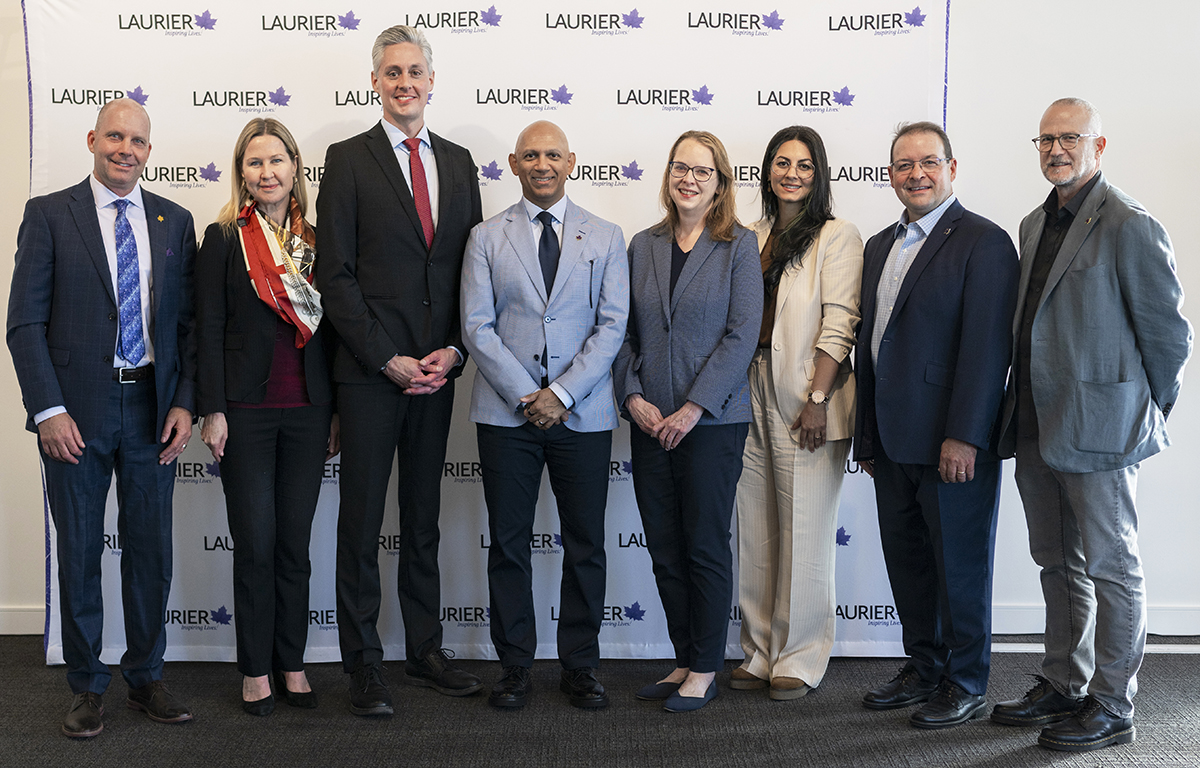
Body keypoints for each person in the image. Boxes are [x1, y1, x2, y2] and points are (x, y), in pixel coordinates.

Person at [991, 98, 1192, 753]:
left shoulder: (1129, 223)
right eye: (1046, 138)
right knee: (1057, 562)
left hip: (1104, 429)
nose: (1056, 149)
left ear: (1098, 147)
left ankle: (1112, 704)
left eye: (1070, 138)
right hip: (1037, 426)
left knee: (1112, 566)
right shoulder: (1031, 224)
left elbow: (1169, 335)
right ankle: (1064, 682)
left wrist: (1141, 411)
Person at [7, 98, 196, 737]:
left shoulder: (176, 221)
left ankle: (146, 678)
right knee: (82, 549)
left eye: (137, 141)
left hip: (152, 409)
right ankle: (87, 685)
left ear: (149, 149)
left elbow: (189, 326)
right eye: (114, 136)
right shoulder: (49, 214)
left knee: (150, 552)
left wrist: (184, 401)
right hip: (76, 412)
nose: (126, 149)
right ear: (93, 138)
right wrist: (48, 410)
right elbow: (24, 322)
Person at [315, 25, 483, 715]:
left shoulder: (460, 161)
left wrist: (453, 348)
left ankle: (425, 650)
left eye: (415, 70)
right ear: (376, 83)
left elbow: (468, 270)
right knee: (359, 522)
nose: (405, 82)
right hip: (369, 374)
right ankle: (363, 663)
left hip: (436, 374)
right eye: (392, 72)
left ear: (431, 80)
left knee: (421, 518)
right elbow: (336, 275)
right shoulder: (346, 159)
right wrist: (386, 357)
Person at [853, 121, 1018, 729]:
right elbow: (871, 346)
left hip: (951, 442)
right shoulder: (878, 246)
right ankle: (923, 669)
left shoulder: (985, 242)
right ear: (890, 174)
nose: (915, 174)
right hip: (891, 442)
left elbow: (986, 350)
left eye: (927, 162)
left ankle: (966, 679)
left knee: (961, 568)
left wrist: (966, 435)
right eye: (902, 165)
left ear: (952, 167)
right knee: (910, 563)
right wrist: (866, 435)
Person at [460, 120, 628, 710]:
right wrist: (527, 394)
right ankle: (514, 666)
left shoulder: (606, 237)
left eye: (552, 154)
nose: (542, 164)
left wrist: (563, 393)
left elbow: (612, 327)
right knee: (509, 543)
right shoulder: (485, 237)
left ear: (572, 161)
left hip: (581, 415)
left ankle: (580, 665)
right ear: (512, 162)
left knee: (585, 542)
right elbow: (477, 327)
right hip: (508, 415)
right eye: (531, 154)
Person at [613, 130, 762, 713]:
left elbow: (741, 334)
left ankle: (706, 664)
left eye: (702, 171)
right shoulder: (642, 245)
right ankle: (683, 656)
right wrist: (633, 398)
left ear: (721, 182)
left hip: (713, 423)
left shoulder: (738, 246)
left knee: (702, 544)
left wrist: (693, 407)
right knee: (665, 546)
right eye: (680, 168)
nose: (689, 179)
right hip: (650, 422)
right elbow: (623, 332)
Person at [196, 118, 339, 716]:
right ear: (242, 173)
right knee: (255, 544)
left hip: (308, 412)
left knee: (294, 547)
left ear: (295, 166)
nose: (267, 172)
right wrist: (212, 409)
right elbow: (205, 328)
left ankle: (292, 662)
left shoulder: (320, 239)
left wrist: (335, 414)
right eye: (255, 163)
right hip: (247, 414)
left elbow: (334, 335)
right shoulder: (225, 237)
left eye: (276, 160)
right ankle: (254, 669)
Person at [732, 126, 863, 701]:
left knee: (805, 529)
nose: (791, 173)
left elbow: (840, 323)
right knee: (755, 528)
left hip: (807, 392)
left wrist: (817, 398)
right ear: (767, 171)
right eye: (781, 163)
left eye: (804, 166)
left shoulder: (837, 236)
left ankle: (802, 655)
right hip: (747, 388)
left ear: (819, 174)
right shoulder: (749, 234)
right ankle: (759, 651)